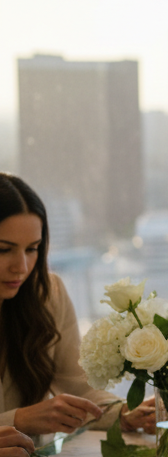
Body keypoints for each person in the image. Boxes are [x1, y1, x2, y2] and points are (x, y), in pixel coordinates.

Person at [0, 173, 154, 436]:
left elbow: (78, 387)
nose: (21, 267)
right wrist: (17, 420)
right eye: (4, 250)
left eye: (32, 249)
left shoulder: (48, 295)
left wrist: (124, 413)